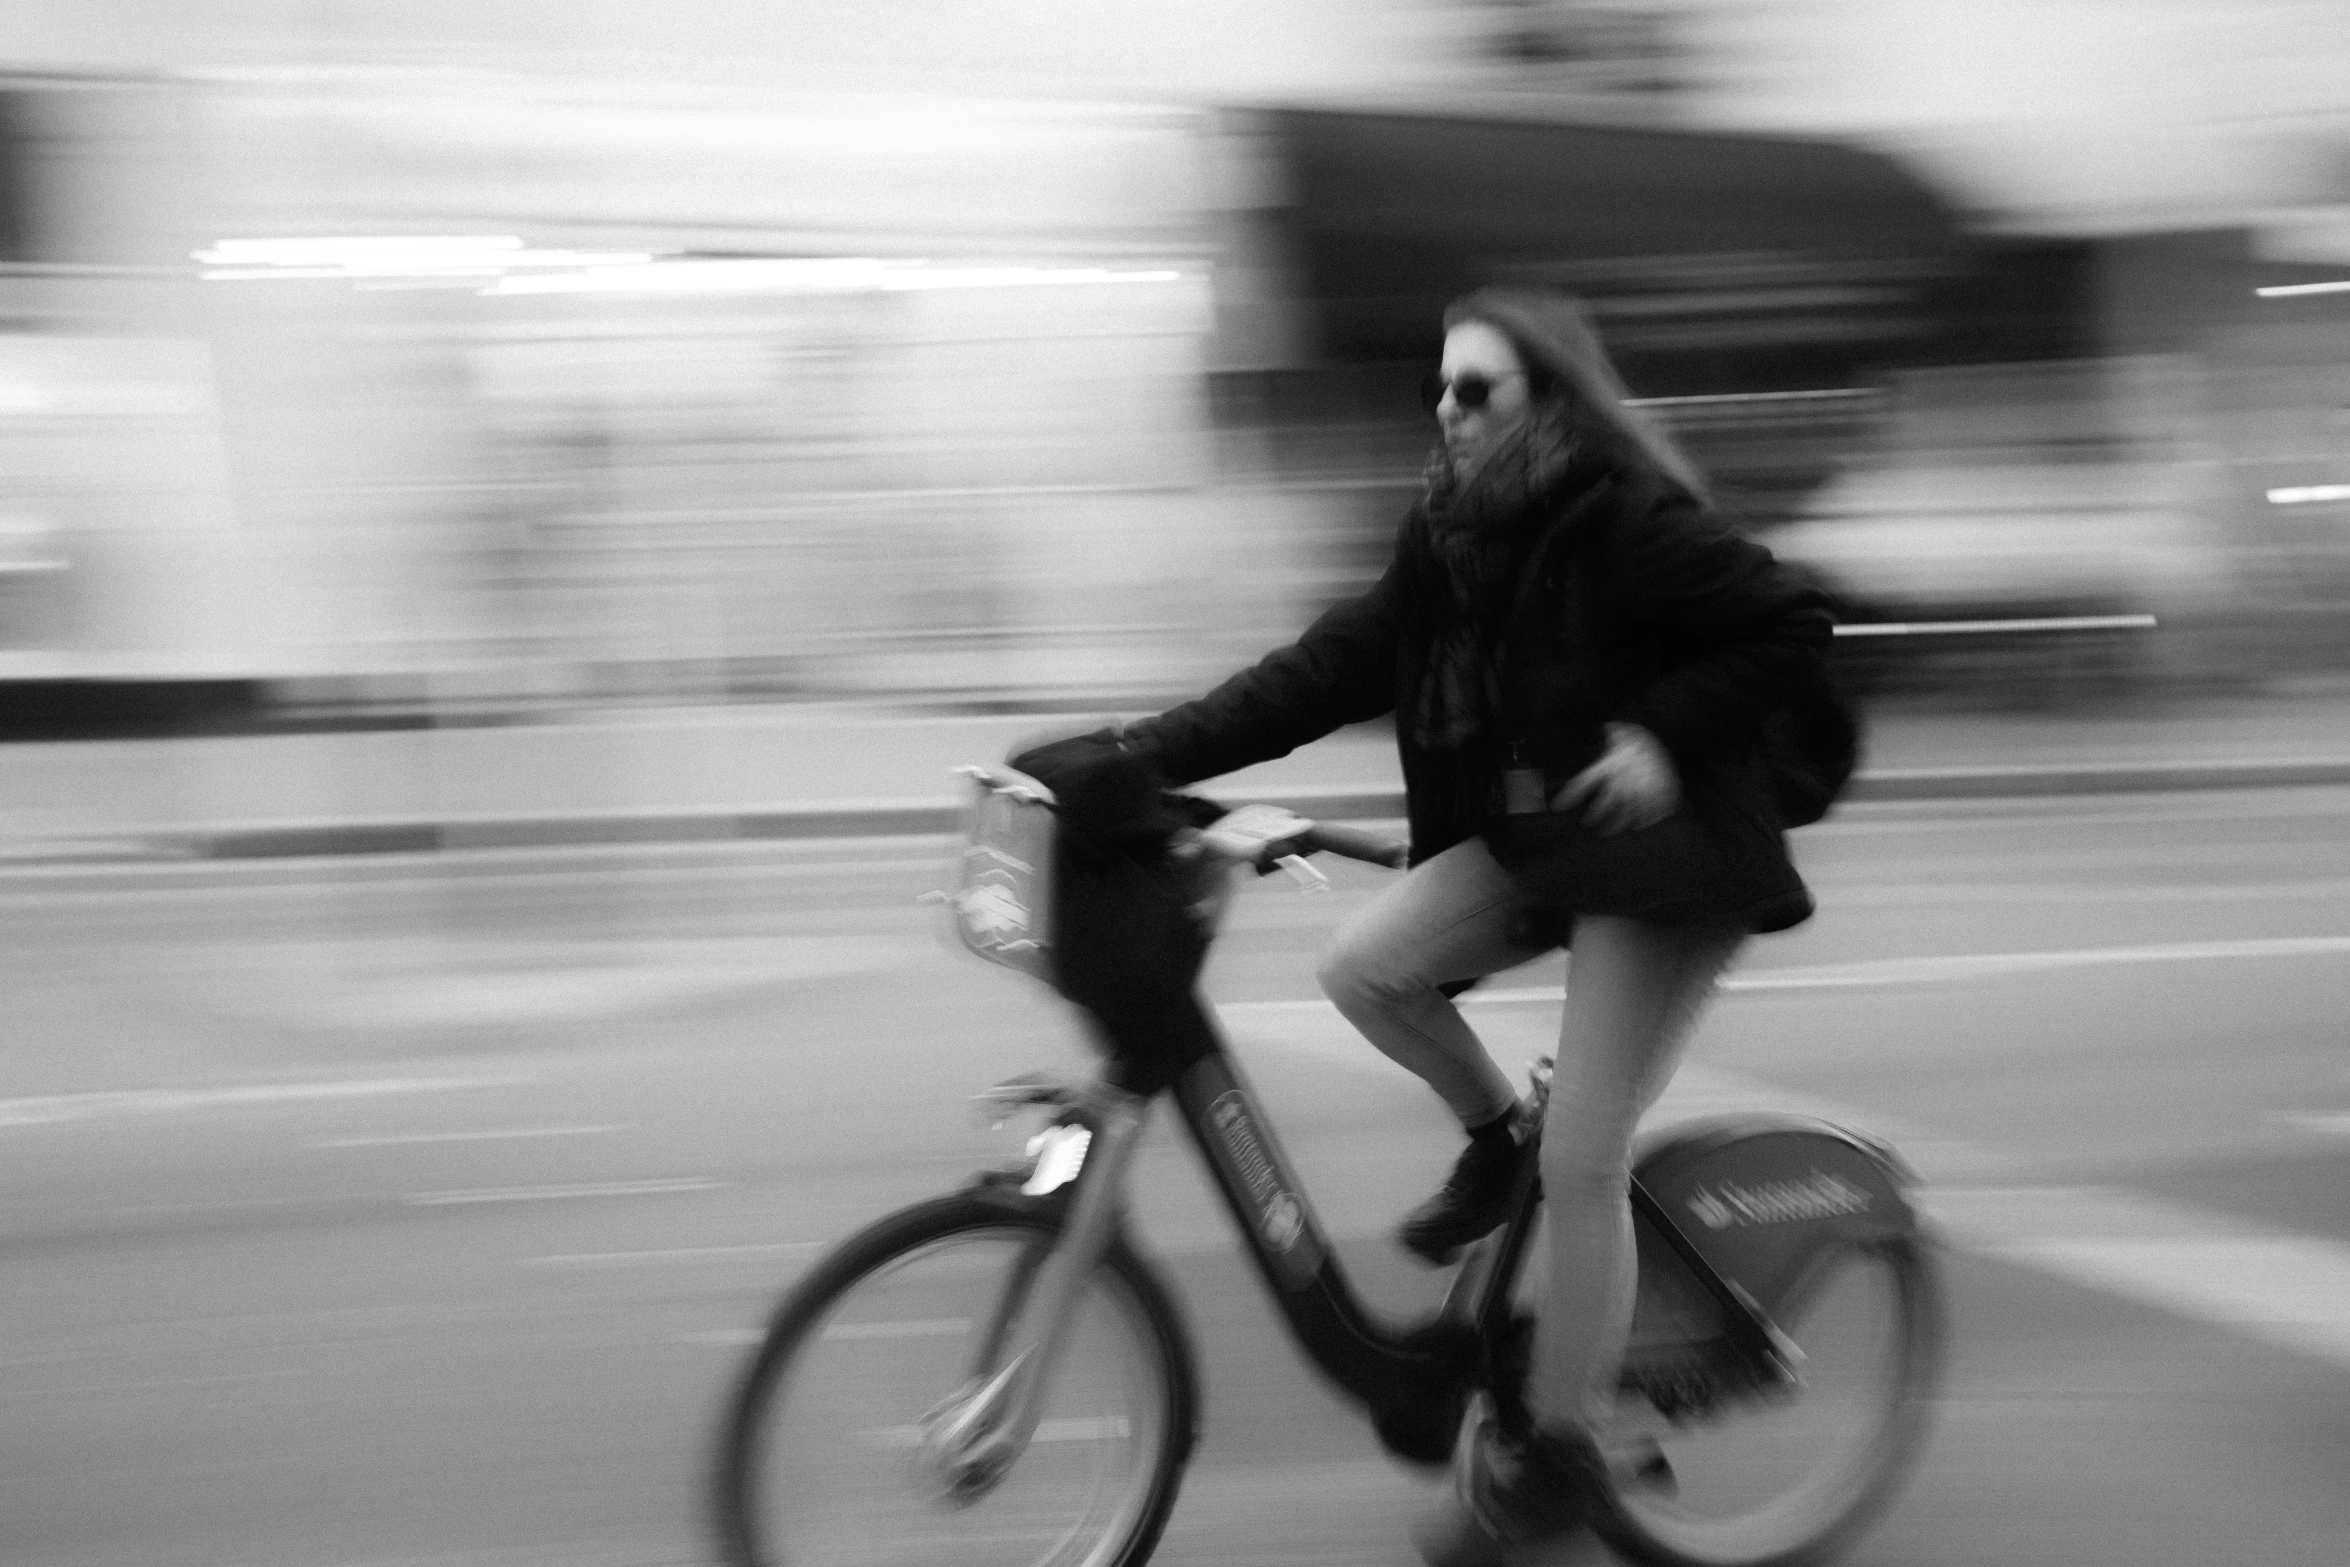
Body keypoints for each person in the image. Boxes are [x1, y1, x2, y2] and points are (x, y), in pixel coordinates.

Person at [1097, 286, 1839, 1562]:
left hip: (1671, 859)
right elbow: (1327, 667)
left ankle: (1555, 1457)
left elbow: (1789, 622)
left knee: (1588, 1153)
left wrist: (1667, 734)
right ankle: (1495, 1133)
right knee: (1366, 966)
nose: (1445, 409)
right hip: (1554, 839)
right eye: (1439, 387)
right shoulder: (1452, 534)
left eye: (1476, 389)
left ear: (1545, 400)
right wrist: (1131, 757)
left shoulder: (1623, 520)